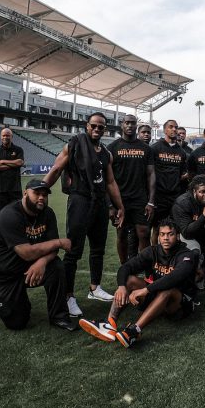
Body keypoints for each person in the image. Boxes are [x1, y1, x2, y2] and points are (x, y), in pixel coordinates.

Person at [42, 112, 125, 317]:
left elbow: (111, 182)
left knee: (98, 248)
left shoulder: (106, 153)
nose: (97, 129)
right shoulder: (74, 145)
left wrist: (119, 206)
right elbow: (56, 168)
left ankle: (94, 288)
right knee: (73, 250)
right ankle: (68, 296)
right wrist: (41, 189)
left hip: (99, 202)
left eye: (101, 127)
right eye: (94, 126)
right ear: (87, 126)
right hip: (80, 200)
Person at [78, 218, 200, 348]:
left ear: (177, 236)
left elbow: (175, 277)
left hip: (179, 305)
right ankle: (109, 324)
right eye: (162, 234)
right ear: (158, 236)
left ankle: (134, 331)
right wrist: (122, 286)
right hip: (157, 298)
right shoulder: (152, 251)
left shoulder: (186, 254)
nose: (165, 238)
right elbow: (126, 267)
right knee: (129, 280)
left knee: (167, 289)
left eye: (170, 234)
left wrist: (146, 290)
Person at [0, 179, 76, 331]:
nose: (41, 198)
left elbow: (52, 250)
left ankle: (59, 317)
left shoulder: (48, 213)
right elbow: (27, 253)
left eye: (44, 195)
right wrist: (59, 242)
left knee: (56, 266)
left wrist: (42, 262)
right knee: (17, 323)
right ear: (25, 193)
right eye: (36, 193)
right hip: (0, 274)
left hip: (24, 266)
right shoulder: (10, 214)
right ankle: (16, 300)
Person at [107, 114, 156, 264]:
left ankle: (147, 269)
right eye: (127, 123)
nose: (129, 126)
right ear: (122, 125)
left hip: (139, 199)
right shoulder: (112, 147)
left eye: (132, 123)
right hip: (119, 200)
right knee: (121, 233)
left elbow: (151, 175)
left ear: (136, 126)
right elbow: (108, 179)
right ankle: (125, 268)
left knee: (144, 233)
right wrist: (110, 205)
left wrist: (151, 202)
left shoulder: (145, 148)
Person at [170, 175, 205, 286]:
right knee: (194, 253)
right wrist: (204, 216)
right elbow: (186, 232)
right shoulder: (183, 203)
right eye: (202, 192)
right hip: (182, 237)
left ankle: (203, 271)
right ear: (194, 191)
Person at [149, 120, 189, 241]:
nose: (174, 130)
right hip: (159, 196)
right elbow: (150, 173)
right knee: (157, 229)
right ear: (165, 129)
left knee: (175, 229)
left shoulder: (181, 152)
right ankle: (156, 257)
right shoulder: (155, 148)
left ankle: (173, 258)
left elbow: (183, 174)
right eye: (171, 127)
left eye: (176, 127)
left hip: (175, 196)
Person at [0, 128, 25, 215]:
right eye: (3, 135)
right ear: (0, 137)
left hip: (15, 190)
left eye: (7, 135)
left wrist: (3, 161)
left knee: (17, 214)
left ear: (11, 137)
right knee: (0, 215)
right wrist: (13, 165)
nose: (5, 137)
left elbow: (20, 162)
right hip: (0, 190)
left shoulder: (18, 149)